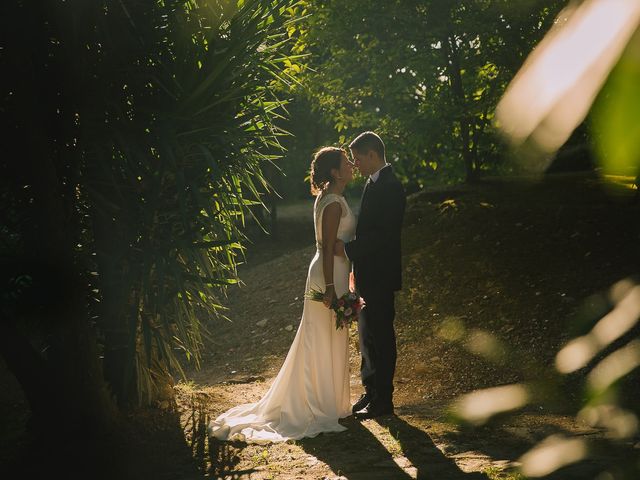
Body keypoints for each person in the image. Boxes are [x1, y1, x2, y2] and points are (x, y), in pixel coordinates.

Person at [208, 146, 355, 442]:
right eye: (346, 162)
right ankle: (318, 403)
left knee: (327, 336)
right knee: (321, 337)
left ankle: (330, 401)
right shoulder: (334, 203)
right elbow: (328, 248)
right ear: (336, 172)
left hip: (334, 271)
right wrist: (329, 288)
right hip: (327, 274)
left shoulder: (330, 197)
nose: (352, 164)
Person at [335, 131, 406, 419]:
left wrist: (349, 251)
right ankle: (371, 390)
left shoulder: (391, 187)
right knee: (366, 336)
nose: (355, 164)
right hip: (365, 274)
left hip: (381, 275)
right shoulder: (371, 183)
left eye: (358, 158)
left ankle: (384, 400)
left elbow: (384, 236)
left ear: (373, 156)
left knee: (381, 336)